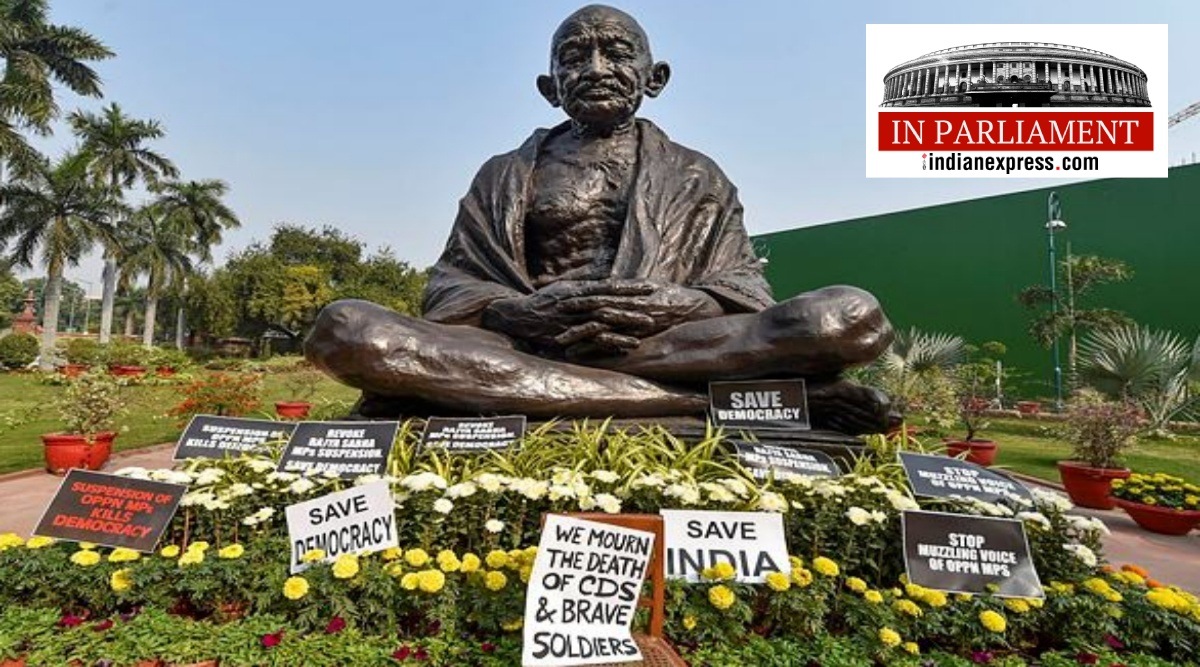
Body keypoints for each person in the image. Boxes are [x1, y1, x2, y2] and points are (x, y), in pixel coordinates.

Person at [305, 4, 896, 433]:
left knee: (847, 318)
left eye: (615, 52)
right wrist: (516, 310)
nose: (594, 66)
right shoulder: (504, 174)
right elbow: (453, 287)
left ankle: (509, 393)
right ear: (549, 87)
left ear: (654, 77)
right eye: (573, 56)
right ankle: (719, 403)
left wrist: (681, 303)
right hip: (522, 344)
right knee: (346, 331)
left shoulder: (697, 174)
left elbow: (741, 289)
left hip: (669, 343)